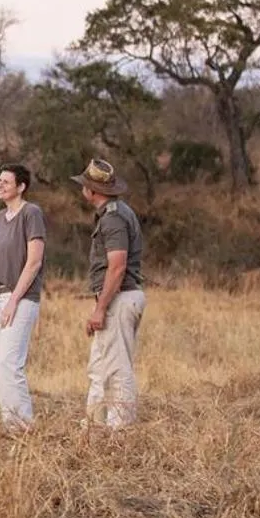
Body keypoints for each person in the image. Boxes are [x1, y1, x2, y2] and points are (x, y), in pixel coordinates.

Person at [72, 158, 145, 429]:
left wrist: (100, 308)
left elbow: (117, 267)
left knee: (117, 369)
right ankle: (96, 425)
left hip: (119, 298)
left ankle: (119, 431)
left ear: (92, 191)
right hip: (118, 297)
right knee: (100, 366)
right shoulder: (115, 213)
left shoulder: (113, 218)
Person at [0, 164, 47, 431]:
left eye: (6, 181)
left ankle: (24, 424)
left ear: (21, 187)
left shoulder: (31, 213)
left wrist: (13, 300)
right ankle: (10, 423)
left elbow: (34, 262)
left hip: (19, 296)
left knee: (11, 362)